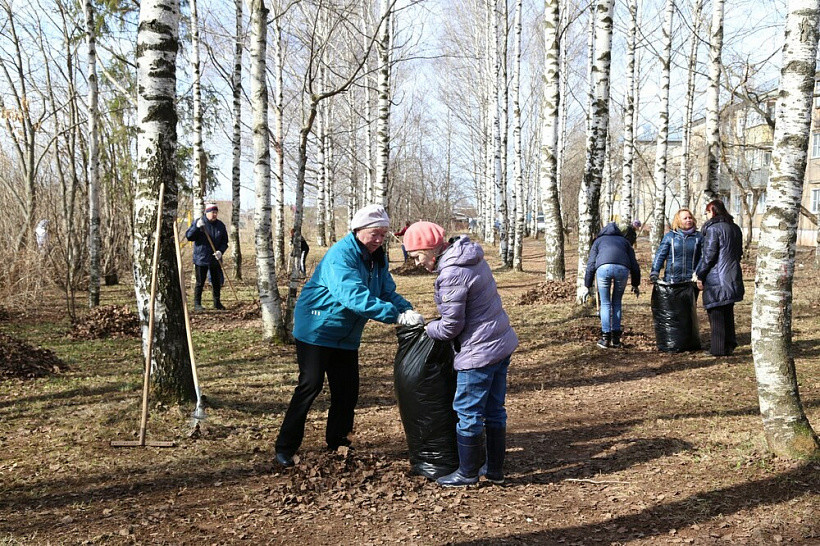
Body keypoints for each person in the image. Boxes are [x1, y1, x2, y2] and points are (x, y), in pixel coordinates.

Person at [274, 204, 424, 467]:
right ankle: (285, 447)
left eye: (383, 234)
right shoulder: (340, 256)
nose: (379, 240)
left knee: (347, 391)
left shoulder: (377, 258)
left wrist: (406, 308)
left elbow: (386, 290)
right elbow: (353, 296)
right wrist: (395, 316)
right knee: (310, 386)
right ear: (358, 230)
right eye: (374, 234)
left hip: (346, 333)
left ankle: (338, 443)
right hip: (317, 328)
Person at [404, 221, 518, 487]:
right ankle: (495, 471)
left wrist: (426, 328)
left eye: (418, 256)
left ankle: (467, 473)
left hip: (478, 351)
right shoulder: (470, 257)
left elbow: (451, 327)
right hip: (499, 343)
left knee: (467, 413)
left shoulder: (452, 273)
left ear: (431, 248)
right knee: (494, 410)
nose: (418, 263)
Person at [695, 199, 744, 356]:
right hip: (732, 274)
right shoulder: (735, 228)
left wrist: (700, 274)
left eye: (707, 212)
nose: (707, 216)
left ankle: (717, 349)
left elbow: (709, 256)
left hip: (716, 276)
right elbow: (738, 253)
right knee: (727, 310)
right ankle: (729, 344)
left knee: (715, 311)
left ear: (713, 211)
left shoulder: (713, 229)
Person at [583, 221, 642, 349]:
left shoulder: (598, 241)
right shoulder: (625, 242)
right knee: (616, 302)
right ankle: (616, 339)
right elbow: (634, 265)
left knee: (605, 303)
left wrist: (587, 285)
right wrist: (635, 284)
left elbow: (591, 264)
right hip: (622, 269)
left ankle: (605, 339)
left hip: (603, 269)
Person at [185, 203, 228, 311]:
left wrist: (220, 251)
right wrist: (196, 227)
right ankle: (197, 304)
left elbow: (224, 241)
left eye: (215, 212)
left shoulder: (220, 225)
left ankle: (217, 303)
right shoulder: (200, 223)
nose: (214, 215)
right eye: (212, 212)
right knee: (200, 282)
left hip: (215, 258)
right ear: (206, 213)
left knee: (216, 281)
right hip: (201, 257)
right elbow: (189, 237)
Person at [650, 208, 703, 284]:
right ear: (678, 221)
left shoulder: (699, 237)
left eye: (690, 218)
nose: (688, 220)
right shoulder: (670, 236)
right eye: (685, 218)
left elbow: (704, 257)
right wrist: (654, 272)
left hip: (691, 280)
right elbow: (660, 255)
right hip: (671, 280)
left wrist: (698, 273)